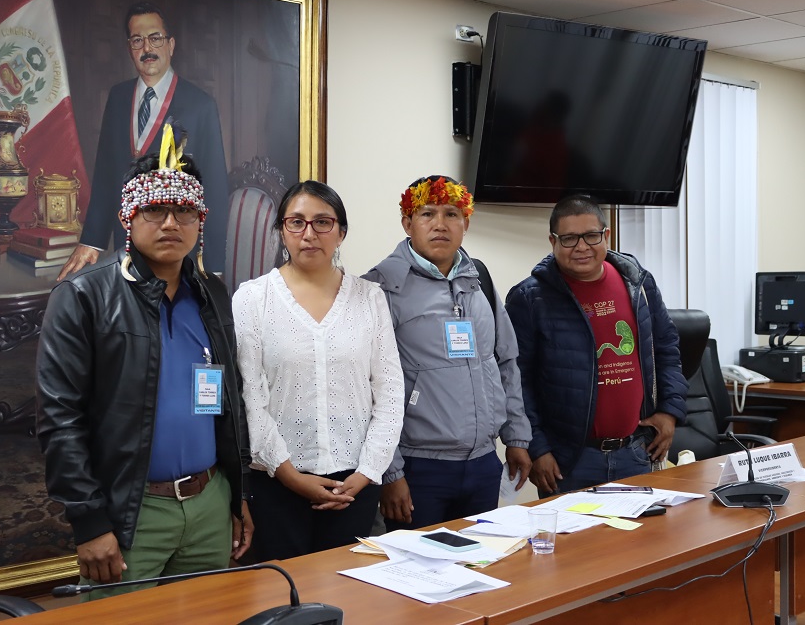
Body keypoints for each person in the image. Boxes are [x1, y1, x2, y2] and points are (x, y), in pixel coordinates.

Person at [36, 125, 251, 600]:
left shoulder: (212, 293)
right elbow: (59, 420)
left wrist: (236, 496)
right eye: (154, 210)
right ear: (128, 219)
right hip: (132, 513)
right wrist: (90, 522)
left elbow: (228, 402)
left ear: (201, 222)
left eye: (184, 211)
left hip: (209, 503)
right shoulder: (83, 296)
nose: (171, 223)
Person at [232, 181, 404, 560]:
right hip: (278, 483)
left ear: (341, 232)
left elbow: (390, 392)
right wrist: (291, 476)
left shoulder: (369, 298)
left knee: (349, 598)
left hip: (355, 484)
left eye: (322, 222)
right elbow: (251, 397)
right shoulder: (252, 298)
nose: (309, 234)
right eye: (296, 222)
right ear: (281, 231)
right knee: (287, 600)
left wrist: (365, 474)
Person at [364, 175, 532, 530]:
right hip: (418, 467)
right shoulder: (380, 288)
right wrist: (390, 472)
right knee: (414, 577)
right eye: (427, 214)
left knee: (479, 566)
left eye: (452, 214)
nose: (440, 224)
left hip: (484, 462)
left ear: (466, 223)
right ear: (408, 223)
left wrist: (516, 437)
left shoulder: (479, 279)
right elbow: (367, 389)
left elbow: (504, 361)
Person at [504, 195, 688, 495]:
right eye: (569, 238)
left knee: (644, 542)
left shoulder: (637, 283)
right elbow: (515, 380)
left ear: (607, 235)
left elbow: (666, 348)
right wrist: (537, 447)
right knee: (575, 543)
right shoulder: (529, 298)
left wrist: (670, 410)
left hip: (637, 452)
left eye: (591, 236)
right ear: (553, 241)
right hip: (570, 461)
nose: (581, 247)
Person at [59, 1, 228, 280]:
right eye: (137, 40)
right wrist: (91, 241)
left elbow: (215, 191)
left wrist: (212, 267)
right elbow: (105, 174)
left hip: (176, 256)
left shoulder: (201, 105)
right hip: (124, 251)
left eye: (155, 38)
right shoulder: (118, 97)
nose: (147, 48)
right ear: (129, 48)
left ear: (171, 45)